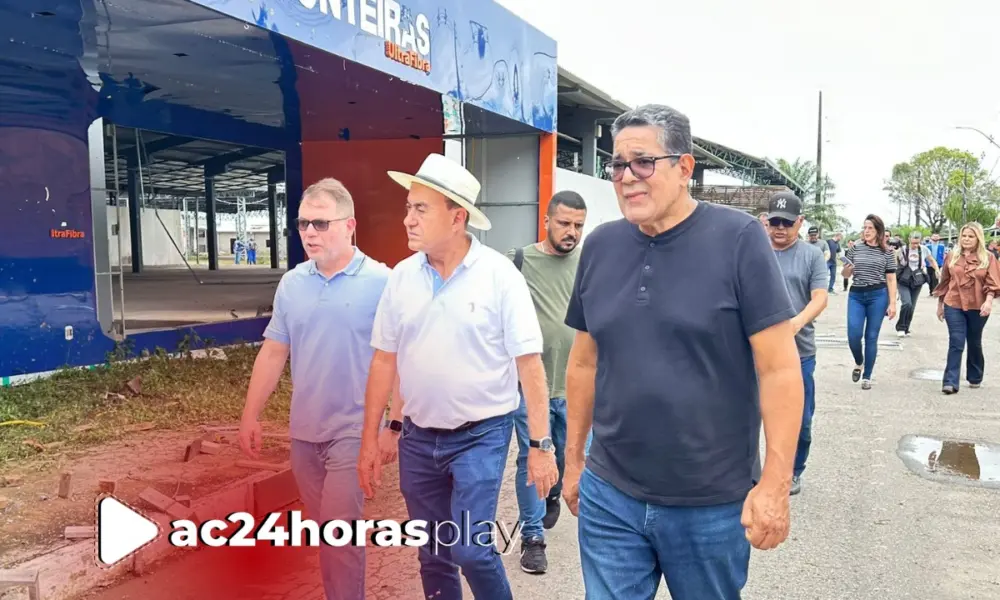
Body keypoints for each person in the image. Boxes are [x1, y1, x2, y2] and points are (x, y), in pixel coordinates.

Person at [561, 104, 804, 600]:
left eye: (643, 162)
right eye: (617, 165)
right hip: (611, 494)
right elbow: (584, 361)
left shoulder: (739, 240)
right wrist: (574, 460)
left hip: (710, 503)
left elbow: (779, 368)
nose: (627, 177)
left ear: (684, 167)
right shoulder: (601, 246)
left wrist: (775, 484)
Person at [357, 154, 559, 600]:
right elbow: (385, 361)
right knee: (432, 551)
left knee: (470, 549)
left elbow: (529, 365)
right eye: (408, 207)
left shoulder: (499, 277)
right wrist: (375, 435)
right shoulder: (402, 278)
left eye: (420, 209)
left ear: (457, 217)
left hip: (480, 436)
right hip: (418, 438)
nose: (407, 219)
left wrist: (540, 446)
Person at [238, 178, 391, 600]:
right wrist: (250, 415)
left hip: (354, 431)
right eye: (303, 223)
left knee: (339, 532)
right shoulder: (292, 283)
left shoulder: (382, 282)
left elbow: (397, 359)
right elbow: (274, 351)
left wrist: (391, 426)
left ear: (350, 226)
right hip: (304, 433)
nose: (309, 232)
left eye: (321, 223)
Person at [505, 190, 588, 574]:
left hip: (576, 386)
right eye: (564, 223)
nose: (571, 232)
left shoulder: (588, 262)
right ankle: (532, 537)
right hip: (532, 386)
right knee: (532, 457)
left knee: (571, 455)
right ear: (547, 221)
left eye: (578, 225)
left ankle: (552, 490)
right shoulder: (519, 261)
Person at [765, 192, 829, 496]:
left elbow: (820, 297)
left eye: (787, 223)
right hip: (754, 353)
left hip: (797, 352)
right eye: (775, 222)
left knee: (800, 421)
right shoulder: (754, 250)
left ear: (800, 222)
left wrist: (797, 322)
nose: (780, 228)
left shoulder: (811, 255)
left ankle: (793, 470)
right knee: (742, 418)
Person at [932, 222, 1000, 394]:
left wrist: (989, 301)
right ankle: (950, 382)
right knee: (956, 341)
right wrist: (940, 304)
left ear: (978, 238)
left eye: (971, 236)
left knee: (974, 341)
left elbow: (992, 282)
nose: (966, 239)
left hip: (978, 305)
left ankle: (975, 376)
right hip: (953, 303)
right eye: (964, 236)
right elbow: (945, 281)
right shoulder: (952, 256)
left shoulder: (988, 258)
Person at [842, 214, 897, 390]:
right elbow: (845, 275)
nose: (866, 231)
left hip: (878, 295)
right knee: (853, 334)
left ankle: (867, 376)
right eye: (864, 228)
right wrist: (847, 270)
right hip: (856, 295)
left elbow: (891, 279)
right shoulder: (855, 249)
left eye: (870, 228)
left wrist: (893, 303)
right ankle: (859, 361)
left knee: (871, 337)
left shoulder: (888, 252)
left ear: (878, 231)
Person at [894, 231, 938, 337]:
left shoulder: (924, 249)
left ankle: (906, 328)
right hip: (903, 280)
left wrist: (937, 270)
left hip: (917, 280)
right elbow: (894, 263)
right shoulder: (901, 250)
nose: (915, 245)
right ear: (909, 239)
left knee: (912, 306)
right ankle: (900, 327)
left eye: (917, 243)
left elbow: (931, 260)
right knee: (907, 303)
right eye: (913, 243)